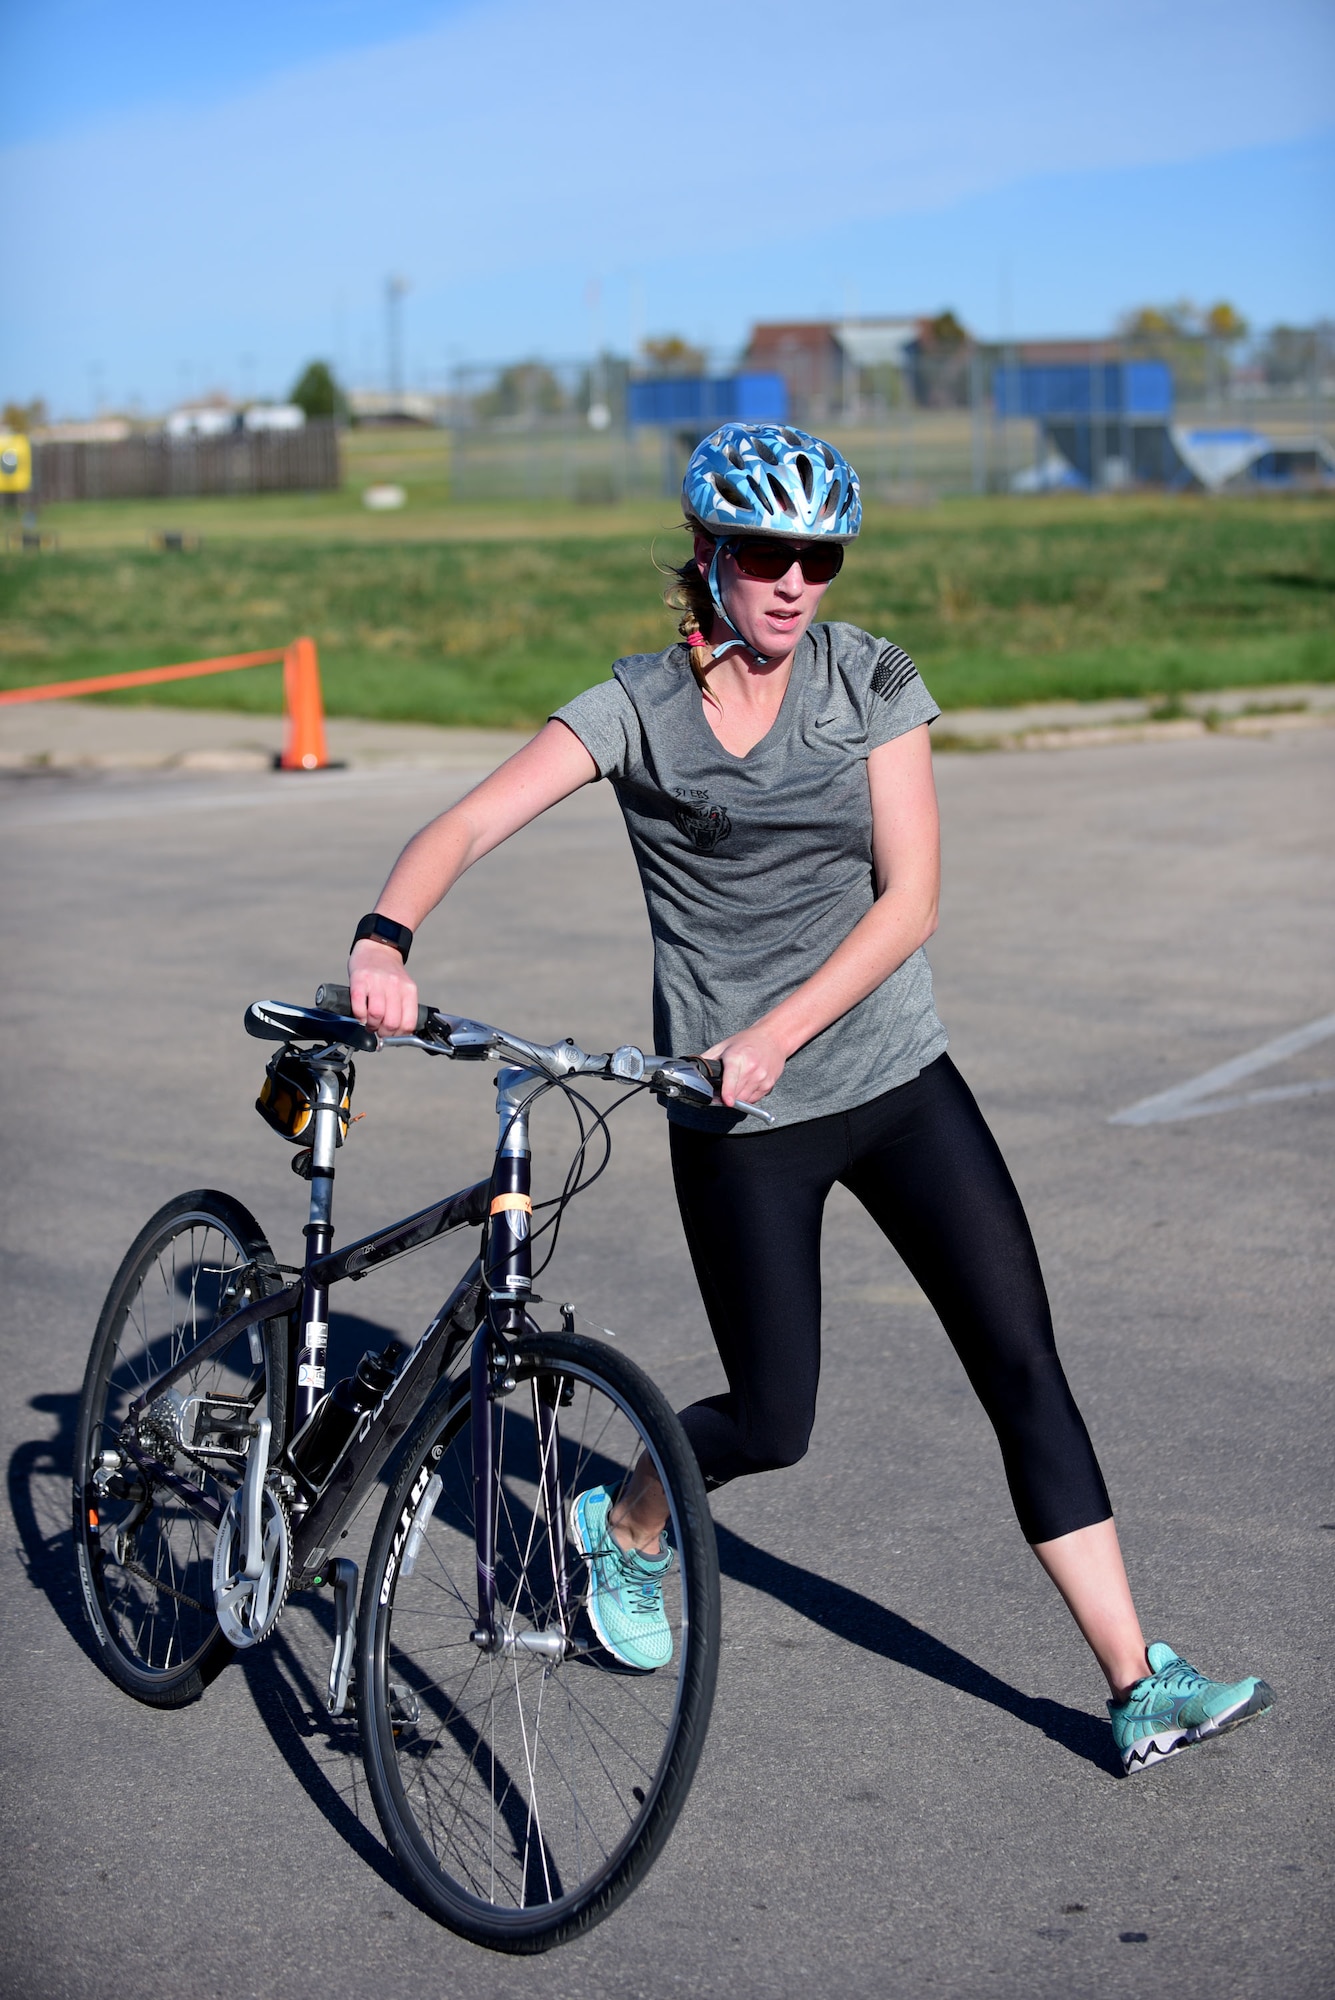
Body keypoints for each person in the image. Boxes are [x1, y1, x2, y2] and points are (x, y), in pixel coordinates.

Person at [348, 421, 1274, 1774]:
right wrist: (388, 935)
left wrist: (777, 1027)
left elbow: (912, 903)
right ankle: (633, 1522)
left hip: (895, 1080)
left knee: (1022, 1362)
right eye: (768, 553)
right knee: (774, 1423)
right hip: (741, 1126)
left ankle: (1139, 1679)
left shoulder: (871, 684)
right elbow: (472, 821)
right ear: (710, 558)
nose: (795, 583)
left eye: (820, 556)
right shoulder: (634, 711)